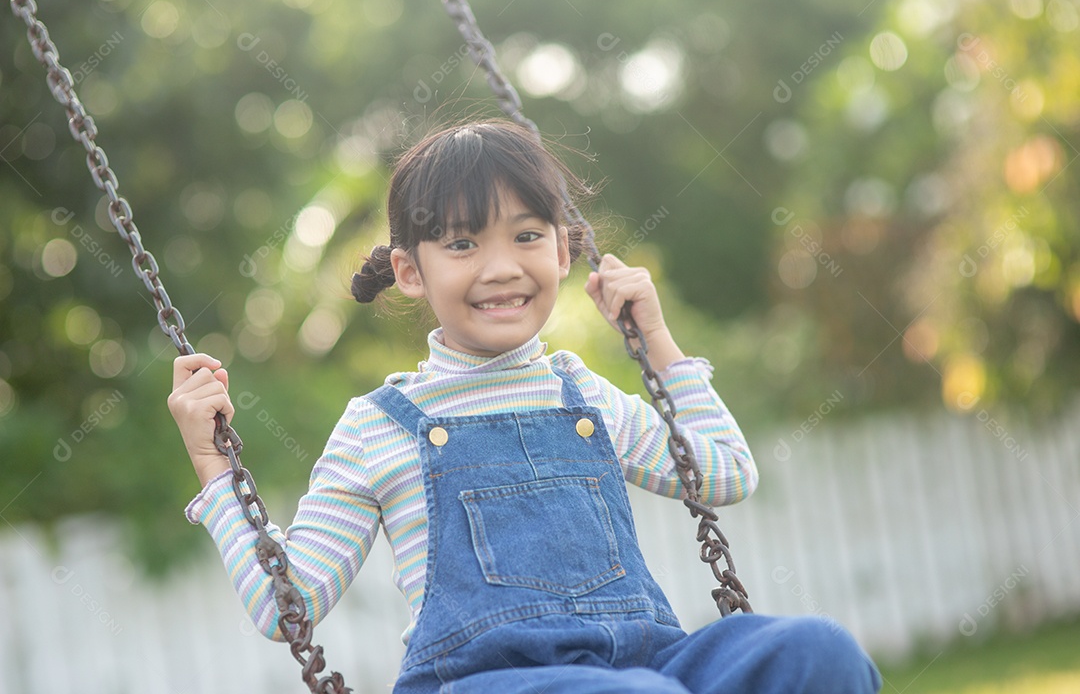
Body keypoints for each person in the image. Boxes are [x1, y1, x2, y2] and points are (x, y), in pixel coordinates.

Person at [168, 120, 882, 694]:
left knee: (818, 652)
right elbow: (287, 606)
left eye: (527, 235)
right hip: (484, 680)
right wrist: (213, 466)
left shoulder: (585, 395)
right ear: (410, 271)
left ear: (564, 252)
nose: (502, 267)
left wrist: (659, 343)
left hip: (643, 661)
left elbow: (726, 473)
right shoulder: (377, 427)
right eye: (462, 243)